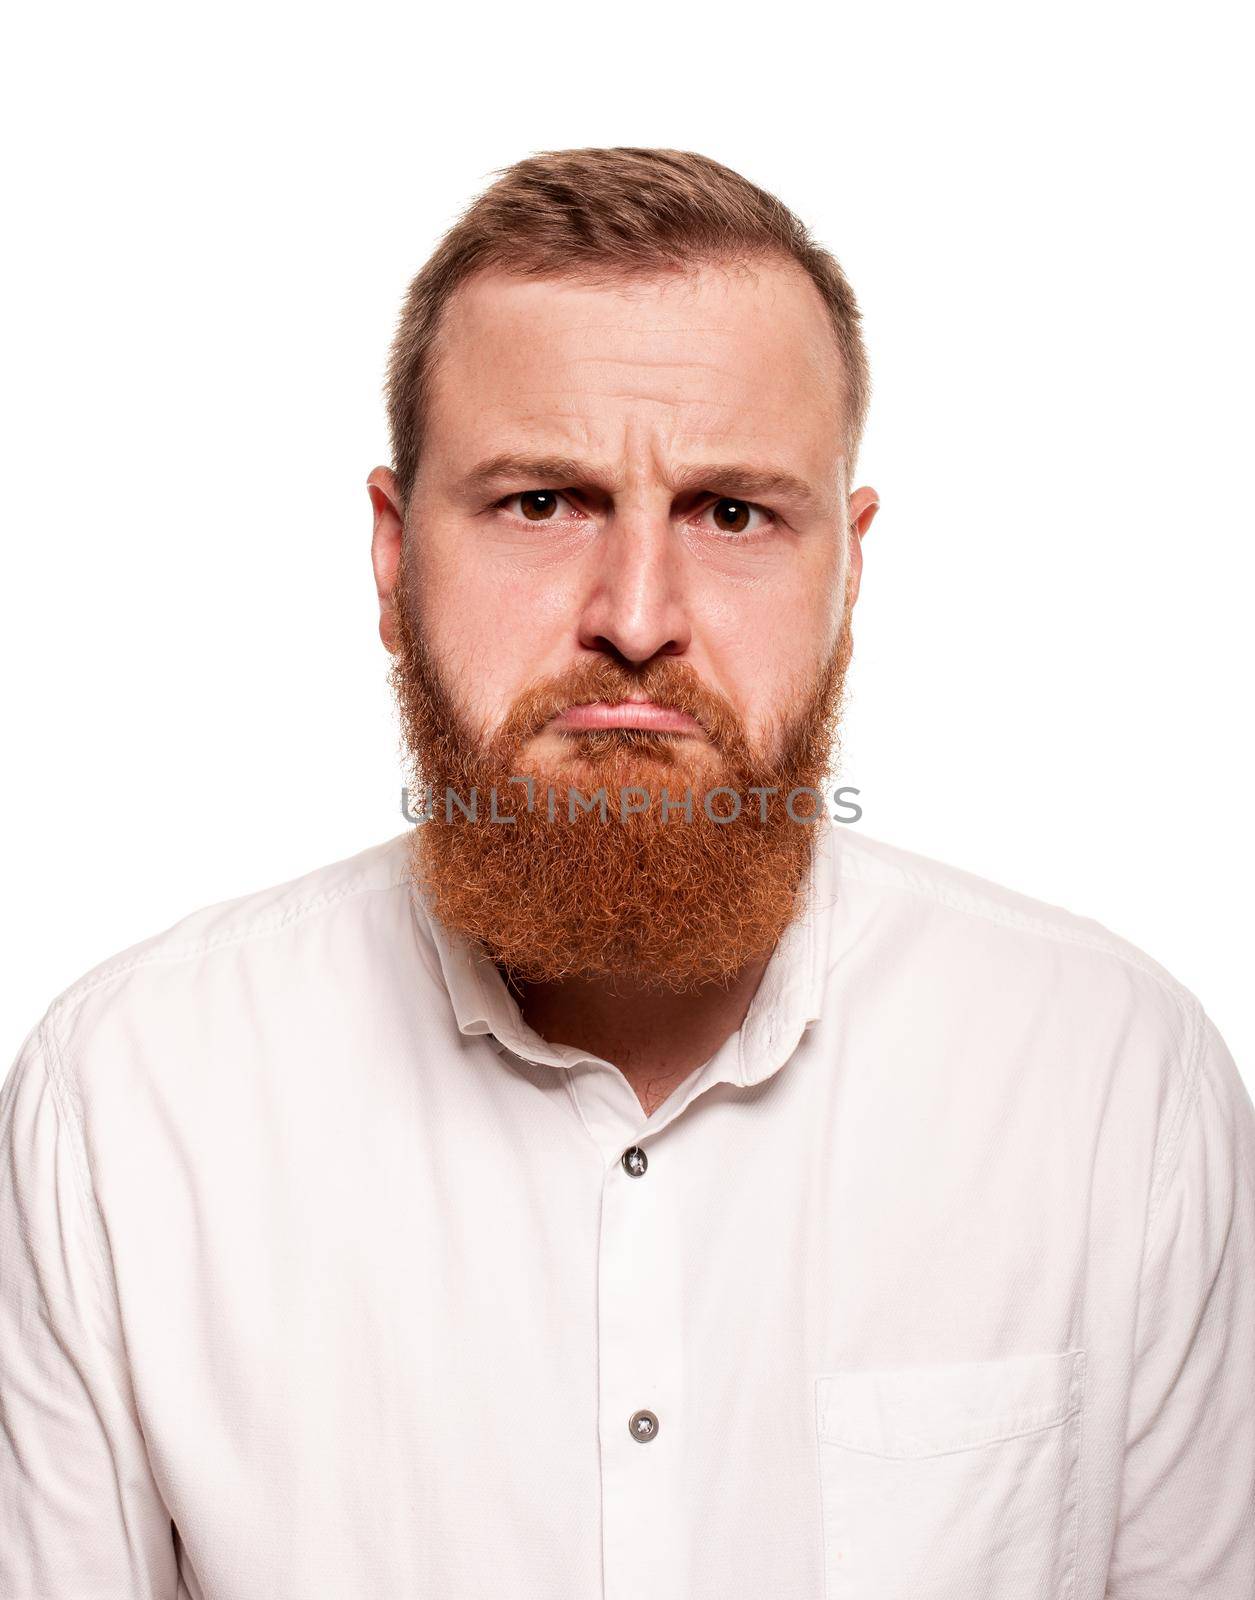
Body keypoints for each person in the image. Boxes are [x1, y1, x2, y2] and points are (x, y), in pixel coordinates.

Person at [2, 145, 1251, 1599]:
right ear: (393, 560)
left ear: (851, 570)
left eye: (733, 513)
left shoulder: (1114, 1089)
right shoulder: (130, 1103)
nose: (639, 618)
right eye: (544, 502)